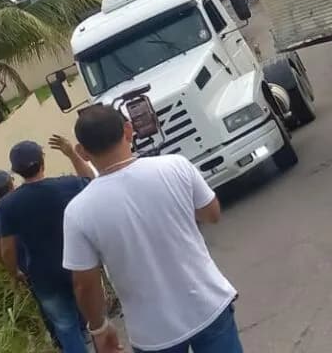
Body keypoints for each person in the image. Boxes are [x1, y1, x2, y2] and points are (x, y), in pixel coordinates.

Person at [64, 105, 242, 353]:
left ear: (82, 152)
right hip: (208, 304)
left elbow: (84, 284)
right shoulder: (175, 166)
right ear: (128, 130)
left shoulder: (77, 211)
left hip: (151, 332)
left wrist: (99, 328)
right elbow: (211, 214)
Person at [0, 137, 96, 353]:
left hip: (43, 276)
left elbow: (7, 249)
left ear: (16, 171)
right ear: (43, 162)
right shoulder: (68, 185)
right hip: (80, 264)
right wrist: (72, 153)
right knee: (97, 321)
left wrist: (14, 273)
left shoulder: (8, 205)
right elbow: (92, 181)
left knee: (67, 329)